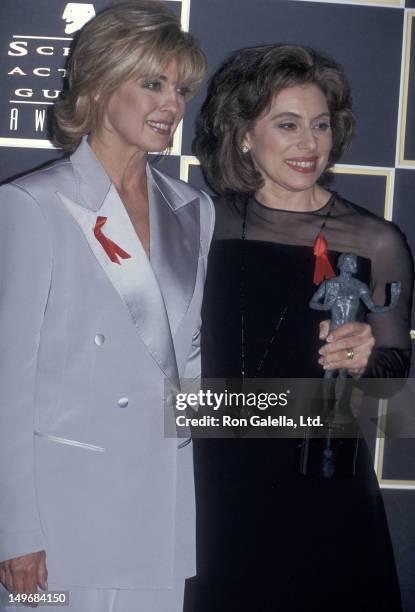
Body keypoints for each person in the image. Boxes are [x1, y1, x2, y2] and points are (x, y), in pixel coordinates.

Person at [0, 2, 214, 611]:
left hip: (158, 500)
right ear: (97, 86)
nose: (172, 104)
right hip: (62, 512)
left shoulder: (193, 210)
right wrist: (14, 529)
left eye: (180, 88)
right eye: (151, 83)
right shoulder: (32, 205)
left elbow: (187, 359)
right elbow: (6, 382)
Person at [186, 44, 413, 612]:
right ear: (243, 134)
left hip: (320, 476)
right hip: (212, 481)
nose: (309, 144)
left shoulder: (374, 240)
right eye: (287, 124)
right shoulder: (199, 224)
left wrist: (366, 357)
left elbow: (391, 376)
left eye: (320, 125)